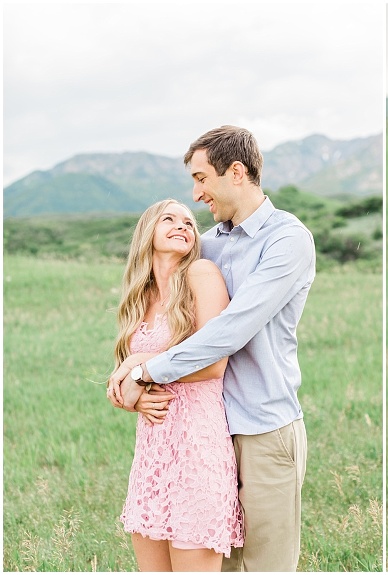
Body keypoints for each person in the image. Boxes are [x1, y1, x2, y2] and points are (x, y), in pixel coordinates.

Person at [109, 125, 316, 572]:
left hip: (263, 426)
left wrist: (145, 370)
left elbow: (228, 332)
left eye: (202, 178)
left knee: (265, 566)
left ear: (235, 172)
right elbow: (172, 320)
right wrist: (133, 386)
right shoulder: (210, 244)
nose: (196, 193)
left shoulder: (287, 239)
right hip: (207, 429)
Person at [107, 198, 243, 571]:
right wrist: (130, 396)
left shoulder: (201, 273)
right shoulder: (140, 296)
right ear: (147, 232)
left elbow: (214, 363)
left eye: (188, 221)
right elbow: (124, 377)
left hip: (196, 448)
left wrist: (139, 368)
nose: (183, 225)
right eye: (169, 218)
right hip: (151, 454)